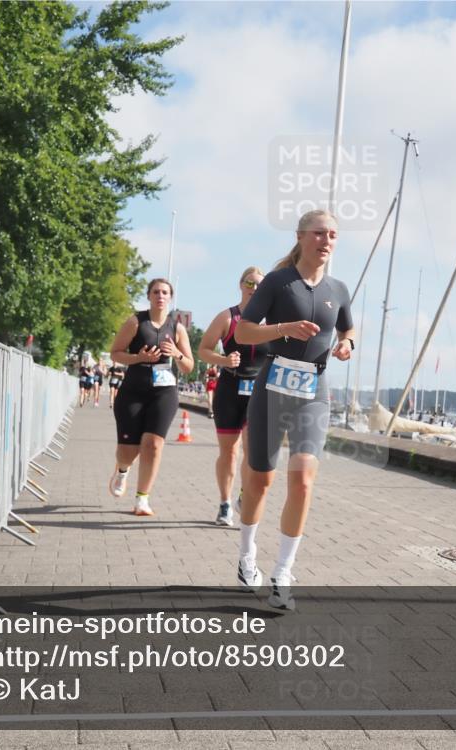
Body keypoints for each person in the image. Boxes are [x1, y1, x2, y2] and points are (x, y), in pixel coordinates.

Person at [234, 210, 354, 609]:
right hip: (272, 386)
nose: (327, 240)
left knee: (303, 479)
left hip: (314, 390)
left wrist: (346, 345)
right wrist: (283, 329)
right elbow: (243, 331)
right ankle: (247, 555)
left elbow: (347, 329)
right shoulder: (277, 282)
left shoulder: (338, 288)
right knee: (260, 482)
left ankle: (283, 572)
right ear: (302, 236)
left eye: (333, 235)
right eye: (320, 233)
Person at [107, 278, 194, 515]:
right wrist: (139, 358)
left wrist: (176, 353)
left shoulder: (177, 328)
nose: (160, 296)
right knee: (129, 451)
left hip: (164, 391)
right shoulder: (135, 322)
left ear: (170, 297)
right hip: (133, 390)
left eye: (165, 292)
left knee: (153, 445)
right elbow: (115, 353)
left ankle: (142, 499)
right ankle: (122, 470)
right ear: (149, 295)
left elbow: (189, 366)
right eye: (156, 291)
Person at [197, 266, 267, 527]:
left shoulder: (270, 322)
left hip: (257, 393)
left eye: (260, 285)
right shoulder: (228, 317)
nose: (254, 289)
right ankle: (225, 504)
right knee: (229, 453)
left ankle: (242, 496)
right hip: (229, 389)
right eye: (250, 284)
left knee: (252, 452)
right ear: (241, 285)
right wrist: (223, 359)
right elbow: (203, 350)